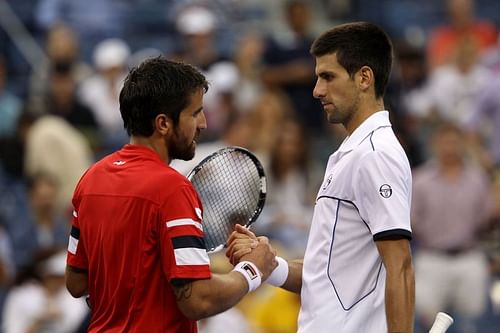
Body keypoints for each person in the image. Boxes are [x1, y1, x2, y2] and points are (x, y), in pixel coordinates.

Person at [64, 57, 277, 332]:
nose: (202, 123)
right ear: (163, 124)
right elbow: (197, 301)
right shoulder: (173, 189)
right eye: (194, 113)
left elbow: (76, 283)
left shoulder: (90, 179)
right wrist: (251, 270)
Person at [227, 22, 415, 332]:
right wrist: (268, 263)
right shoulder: (350, 153)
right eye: (317, 78)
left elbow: (401, 266)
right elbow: (326, 277)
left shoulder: (374, 154)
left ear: (364, 78)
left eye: (328, 77)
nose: (317, 90)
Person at [411, 123, 492, 333]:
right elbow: (411, 220)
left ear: (462, 144)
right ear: (435, 144)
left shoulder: (477, 178)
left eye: (454, 142)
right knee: (428, 323)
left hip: (469, 256)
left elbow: (485, 218)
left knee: (472, 323)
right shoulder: (421, 179)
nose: (449, 147)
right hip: (432, 257)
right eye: (445, 141)